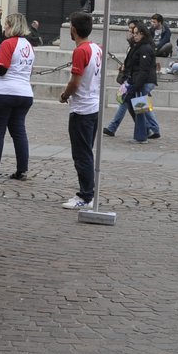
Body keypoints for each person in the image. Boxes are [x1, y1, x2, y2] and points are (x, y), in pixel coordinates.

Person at [0, 12, 35, 180]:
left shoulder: (8, 44)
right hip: (24, 93)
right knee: (19, 131)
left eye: (7, 25)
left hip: (2, 92)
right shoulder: (29, 46)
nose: (5, 28)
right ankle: (22, 170)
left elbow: (1, 70)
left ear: (13, 26)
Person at [58, 11, 103, 211]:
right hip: (93, 105)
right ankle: (88, 191)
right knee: (86, 152)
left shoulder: (80, 51)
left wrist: (64, 95)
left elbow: (75, 82)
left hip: (82, 108)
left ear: (74, 30)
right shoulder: (96, 48)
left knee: (82, 154)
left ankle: (86, 195)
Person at [106, 20, 160, 141]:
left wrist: (135, 85)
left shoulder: (145, 48)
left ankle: (145, 132)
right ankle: (150, 129)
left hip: (141, 82)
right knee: (138, 106)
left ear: (142, 34)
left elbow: (143, 70)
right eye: (132, 32)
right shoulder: (137, 46)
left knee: (138, 106)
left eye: (136, 33)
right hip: (136, 81)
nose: (133, 34)